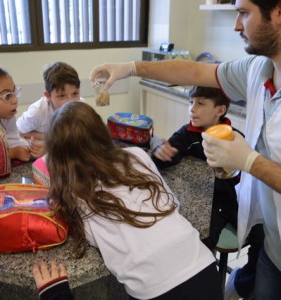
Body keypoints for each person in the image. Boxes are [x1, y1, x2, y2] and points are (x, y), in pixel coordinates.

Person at [89, 1, 281, 298]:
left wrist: (249, 161)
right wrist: (131, 68)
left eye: (244, 12)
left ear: (278, 13)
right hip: (274, 245)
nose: (236, 25)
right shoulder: (259, 69)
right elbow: (193, 72)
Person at [45, 101, 223, 300]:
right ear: (103, 131)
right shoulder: (136, 155)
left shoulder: (74, 195)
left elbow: (95, 240)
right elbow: (172, 203)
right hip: (203, 265)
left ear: (57, 158)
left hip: (157, 290)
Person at [151, 85, 264, 299]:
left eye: (200, 103)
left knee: (263, 239)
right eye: (191, 102)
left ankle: (242, 282)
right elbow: (169, 155)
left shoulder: (234, 138)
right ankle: (206, 288)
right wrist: (159, 151)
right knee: (203, 240)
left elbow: (246, 175)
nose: (192, 109)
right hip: (210, 201)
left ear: (220, 110)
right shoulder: (188, 134)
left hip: (236, 200)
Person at [16, 61, 85, 157]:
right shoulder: (37, 112)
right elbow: (19, 131)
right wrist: (46, 138)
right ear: (48, 96)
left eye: (75, 94)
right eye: (62, 96)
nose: (70, 102)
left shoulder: (81, 106)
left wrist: (49, 142)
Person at [0, 64, 32, 161]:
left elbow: (14, 142)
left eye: (14, 93)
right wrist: (13, 153)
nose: (15, 100)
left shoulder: (7, 117)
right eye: (7, 96)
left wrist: (29, 149)